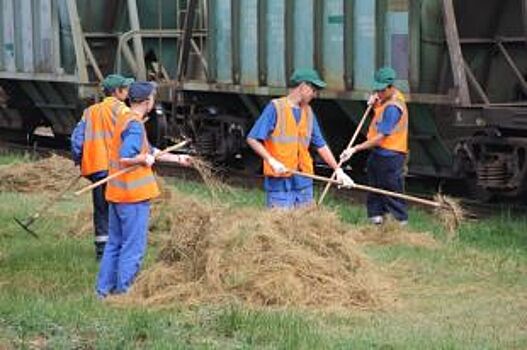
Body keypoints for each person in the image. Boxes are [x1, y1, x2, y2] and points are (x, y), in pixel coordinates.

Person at [96, 81, 192, 298]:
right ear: (148, 101)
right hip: (133, 197)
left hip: (117, 194)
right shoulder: (135, 125)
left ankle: (103, 291)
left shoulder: (125, 118)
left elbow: (149, 150)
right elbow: (127, 156)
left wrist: (177, 158)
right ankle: (125, 293)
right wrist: (143, 159)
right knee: (133, 247)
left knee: (114, 244)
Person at [246, 68, 354, 209]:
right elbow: (252, 139)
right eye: (313, 90)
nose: (315, 94)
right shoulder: (276, 108)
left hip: (303, 181)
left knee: (304, 224)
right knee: (280, 226)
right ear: (303, 86)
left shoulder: (308, 112)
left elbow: (321, 144)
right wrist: (271, 161)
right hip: (280, 183)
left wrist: (338, 170)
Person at [71, 74, 134, 260]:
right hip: (118, 170)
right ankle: (120, 249)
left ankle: (102, 252)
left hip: (97, 170)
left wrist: (80, 160)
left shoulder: (90, 111)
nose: (128, 91)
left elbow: (77, 140)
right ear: (117, 92)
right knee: (120, 209)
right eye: (125, 88)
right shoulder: (123, 111)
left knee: (101, 210)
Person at [340, 67, 409, 225]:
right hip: (379, 153)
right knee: (374, 186)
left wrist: (355, 149)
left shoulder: (393, 107)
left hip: (391, 154)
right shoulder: (387, 99)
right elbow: (381, 111)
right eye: (376, 90)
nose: (378, 93)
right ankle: (376, 219)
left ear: (391, 87)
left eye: (381, 90)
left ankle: (399, 222)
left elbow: (380, 138)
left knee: (390, 189)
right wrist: (375, 103)